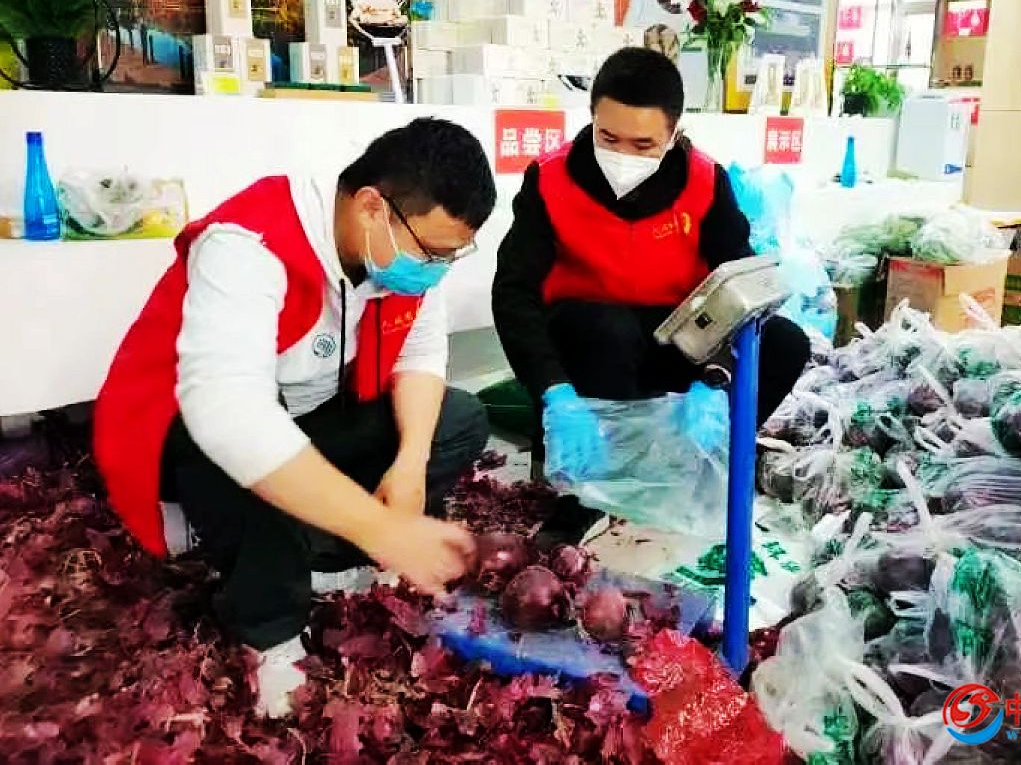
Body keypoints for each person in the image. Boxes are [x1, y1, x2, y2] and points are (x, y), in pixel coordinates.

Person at [93, 118, 496, 717]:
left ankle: (314, 552)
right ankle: (269, 630)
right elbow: (231, 414)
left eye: (449, 257)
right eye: (432, 254)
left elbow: (420, 352)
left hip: (315, 415)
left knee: (457, 419)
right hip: (198, 432)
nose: (435, 271)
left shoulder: (397, 248)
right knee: (259, 437)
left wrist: (410, 463)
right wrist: (380, 528)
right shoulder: (246, 244)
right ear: (371, 206)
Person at [492, 48, 811, 544]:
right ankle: (584, 497)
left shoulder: (706, 182)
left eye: (643, 144)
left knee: (786, 343)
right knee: (606, 328)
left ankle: (699, 461)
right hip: (588, 347)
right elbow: (514, 292)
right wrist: (554, 392)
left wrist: (716, 376)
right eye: (608, 137)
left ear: (674, 132)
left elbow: (743, 287)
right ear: (592, 118)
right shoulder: (550, 180)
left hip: (680, 340)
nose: (624, 156)